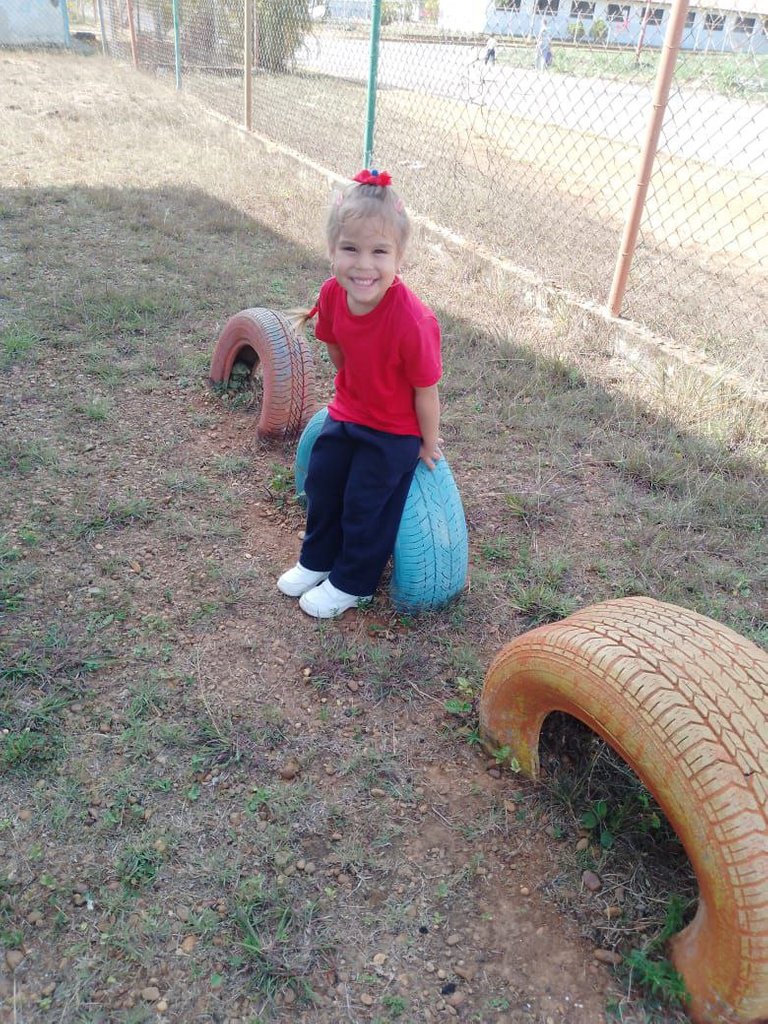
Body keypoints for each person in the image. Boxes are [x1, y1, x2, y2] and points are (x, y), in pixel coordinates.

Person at [278, 169, 443, 619]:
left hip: (393, 431)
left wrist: (427, 442)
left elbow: (426, 391)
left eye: (379, 252)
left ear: (398, 258)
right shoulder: (332, 293)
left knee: (365, 502)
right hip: (347, 412)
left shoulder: (413, 322)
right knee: (323, 481)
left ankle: (353, 582)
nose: (363, 265)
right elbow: (335, 343)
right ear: (333, 251)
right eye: (350, 249)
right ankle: (317, 560)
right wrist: (353, 388)